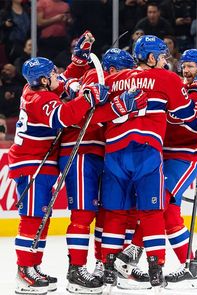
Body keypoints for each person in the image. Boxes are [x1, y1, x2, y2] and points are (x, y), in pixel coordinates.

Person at [116, 49, 197, 289]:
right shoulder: (175, 89)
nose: (185, 69)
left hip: (188, 157)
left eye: (190, 66)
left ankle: (133, 251)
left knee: (159, 200)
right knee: (169, 214)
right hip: (161, 156)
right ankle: (190, 267)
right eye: (184, 65)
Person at [99, 35, 197, 292]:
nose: (165, 61)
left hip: (114, 153)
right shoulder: (167, 79)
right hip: (147, 153)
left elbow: (98, 117)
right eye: (162, 56)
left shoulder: (115, 79)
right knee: (152, 212)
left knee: (114, 213)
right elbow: (185, 114)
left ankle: (109, 269)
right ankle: (156, 270)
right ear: (151, 57)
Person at [7, 54, 109, 295]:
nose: (56, 76)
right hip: (32, 166)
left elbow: (63, 81)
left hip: (36, 164)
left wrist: (77, 63)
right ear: (42, 80)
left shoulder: (32, 88)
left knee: (40, 220)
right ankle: (24, 271)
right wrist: (89, 96)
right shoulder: (40, 98)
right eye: (51, 73)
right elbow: (65, 116)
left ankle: (33, 266)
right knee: (32, 219)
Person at [58, 44, 148, 294]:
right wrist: (117, 106)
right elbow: (81, 113)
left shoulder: (113, 85)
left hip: (105, 153)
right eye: (122, 71)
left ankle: (102, 265)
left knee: (108, 215)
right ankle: (76, 271)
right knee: (83, 214)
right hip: (81, 152)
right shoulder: (90, 79)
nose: (127, 77)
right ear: (109, 69)